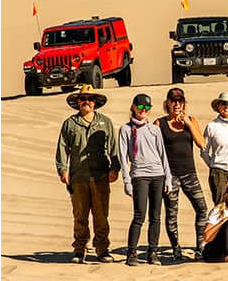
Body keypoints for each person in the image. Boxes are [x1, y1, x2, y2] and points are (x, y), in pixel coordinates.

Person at [54, 84, 121, 264]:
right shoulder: (69, 123)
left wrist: (115, 168)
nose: (86, 102)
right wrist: (63, 169)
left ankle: (102, 249)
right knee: (80, 215)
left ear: (95, 103)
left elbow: (113, 146)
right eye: (83, 99)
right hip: (78, 176)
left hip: (101, 176)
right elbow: (62, 148)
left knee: (101, 215)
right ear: (77, 102)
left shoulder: (104, 122)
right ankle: (79, 249)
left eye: (90, 99)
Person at [119, 93, 172, 266]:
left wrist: (168, 178)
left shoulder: (154, 129)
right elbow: (123, 157)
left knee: (155, 216)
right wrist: (127, 181)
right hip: (139, 176)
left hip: (158, 175)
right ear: (133, 107)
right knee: (139, 215)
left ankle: (153, 252)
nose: (143, 110)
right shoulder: (126, 130)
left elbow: (163, 154)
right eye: (140, 107)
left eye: (147, 107)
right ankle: (131, 253)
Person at [157, 87, 209, 261]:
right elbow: (156, 150)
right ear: (168, 103)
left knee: (202, 208)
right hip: (170, 175)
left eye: (180, 101)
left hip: (189, 173)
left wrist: (188, 123)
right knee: (172, 213)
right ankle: (176, 248)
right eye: (173, 101)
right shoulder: (160, 123)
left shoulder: (191, 120)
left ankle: (200, 247)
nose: (177, 104)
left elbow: (202, 143)